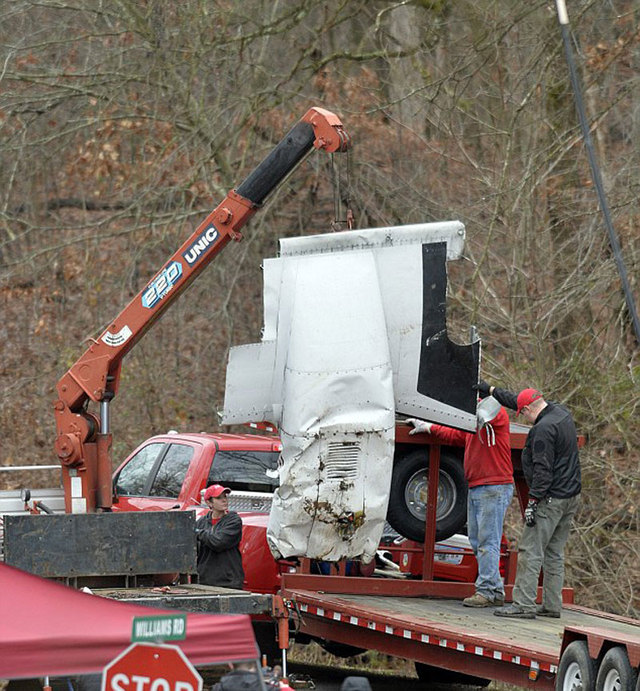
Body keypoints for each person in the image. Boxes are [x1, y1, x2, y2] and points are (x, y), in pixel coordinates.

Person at [477, 382, 581, 619]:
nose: (522, 418)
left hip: (550, 498)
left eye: (522, 413)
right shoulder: (561, 413)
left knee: (531, 551)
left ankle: (523, 604)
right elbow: (519, 400)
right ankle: (552, 605)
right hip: (570, 497)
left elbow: (543, 471)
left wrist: (533, 500)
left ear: (529, 410)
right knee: (554, 552)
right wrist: (492, 391)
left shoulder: (542, 430)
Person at [406, 395, 513, 608]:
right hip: (479, 485)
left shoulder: (494, 414)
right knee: (477, 539)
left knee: (486, 540)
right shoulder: (473, 424)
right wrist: (428, 427)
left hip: (493, 486)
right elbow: (455, 434)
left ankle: (487, 591)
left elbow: (488, 413)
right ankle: (493, 589)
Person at [195, 484, 245, 589]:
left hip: (229, 583)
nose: (224, 500)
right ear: (209, 502)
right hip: (205, 582)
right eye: (219, 498)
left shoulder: (234, 520)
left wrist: (197, 533)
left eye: (225, 497)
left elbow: (218, 542)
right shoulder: (201, 523)